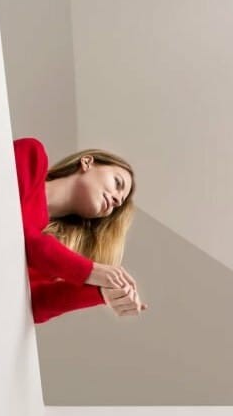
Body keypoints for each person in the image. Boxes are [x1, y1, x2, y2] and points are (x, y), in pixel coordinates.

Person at [13, 137, 148, 323]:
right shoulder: (32, 156)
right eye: (118, 183)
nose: (116, 200)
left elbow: (33, 306)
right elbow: (13, 228)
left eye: (118, 205)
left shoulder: (51, 263)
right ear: (87, 162)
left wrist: (102, 292)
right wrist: (92, 271)